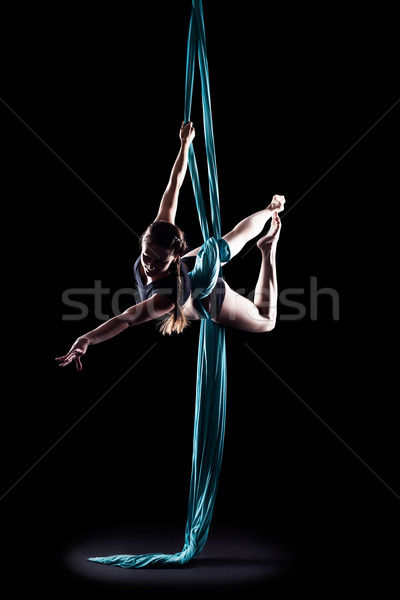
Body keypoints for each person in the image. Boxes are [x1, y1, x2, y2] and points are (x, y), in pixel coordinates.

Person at [56, 122, 285, 371]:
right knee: (227, 242)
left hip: (205, 298)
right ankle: (261, 220)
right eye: (147, 256)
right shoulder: (160, 230)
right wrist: (184, 144)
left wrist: (88, 337)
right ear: (145, 240)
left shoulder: (166, 299)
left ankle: (268, 242)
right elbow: (173, 185)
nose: (150, 265)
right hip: (192, 263)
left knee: (267, 321)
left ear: (174, 257)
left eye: (160, 261)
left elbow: (126, 319)